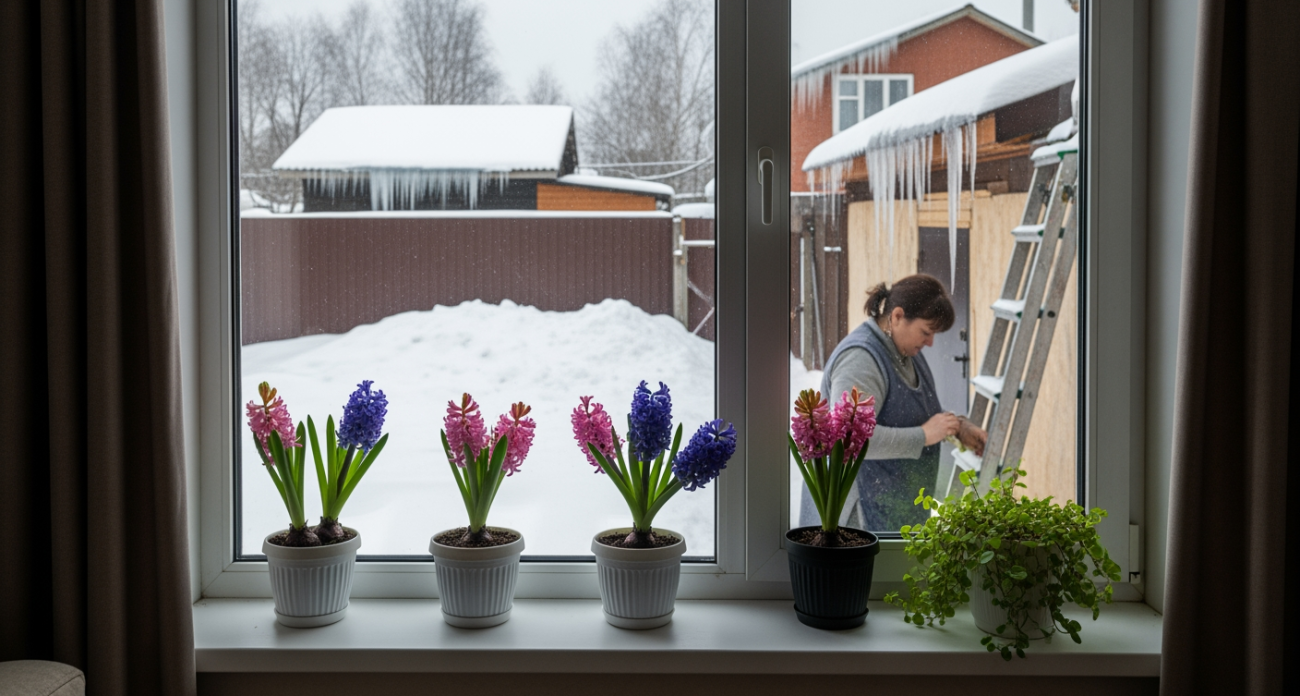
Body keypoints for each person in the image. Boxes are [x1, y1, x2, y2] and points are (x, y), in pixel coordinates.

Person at [799, 274, 988, 533]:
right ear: (897, 316)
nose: (931, 342)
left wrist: (957, 427)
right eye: (926, 332)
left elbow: (911, 414)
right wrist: (923, 436)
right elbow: (849, 440)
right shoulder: (861, 359)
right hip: (855, 521)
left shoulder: (903, 350)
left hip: (891, 511)